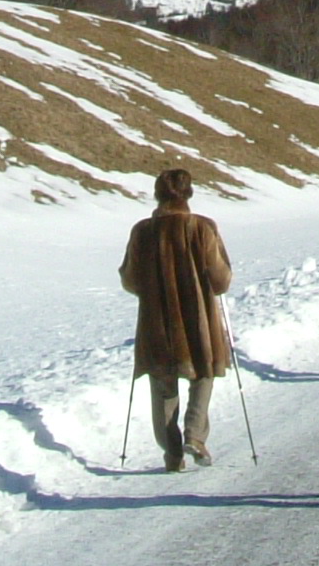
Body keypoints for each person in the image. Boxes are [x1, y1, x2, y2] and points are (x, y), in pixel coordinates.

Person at [118, 167, 233, 472]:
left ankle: (172, 454)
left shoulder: (142, 231)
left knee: (163, 382)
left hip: (156, 319)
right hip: (198, 317)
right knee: (203, 372)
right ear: (188, 193)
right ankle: (195, 436)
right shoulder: (203, 227)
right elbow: (220, 279)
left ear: (157, 194)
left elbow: (130, 279)